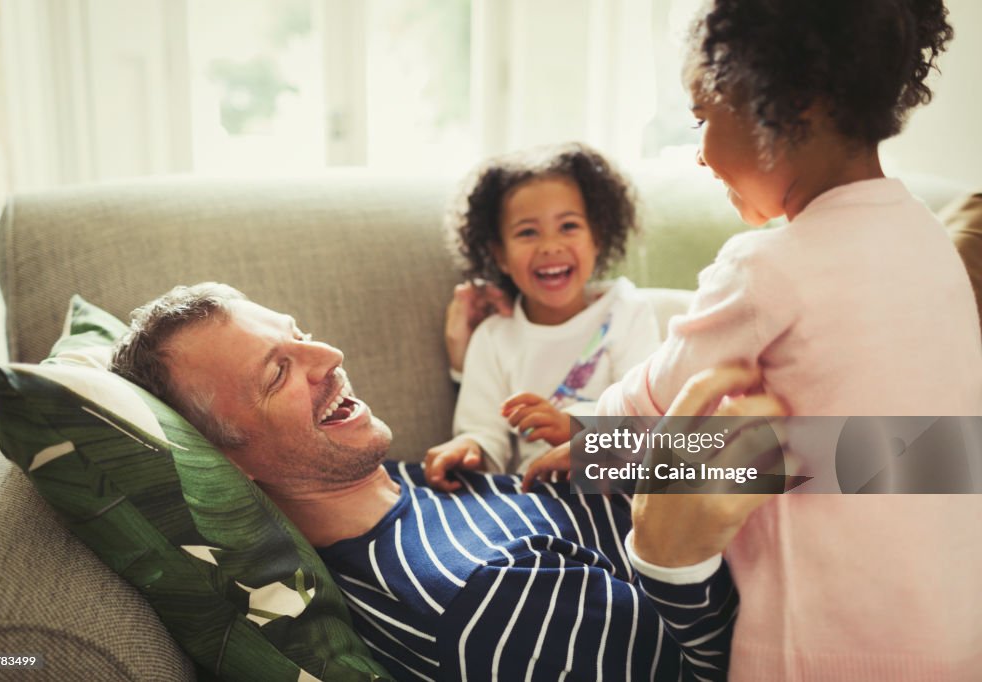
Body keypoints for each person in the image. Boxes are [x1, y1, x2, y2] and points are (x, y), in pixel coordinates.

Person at [525, 1, 982, 679]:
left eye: (703, 117)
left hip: (819, 646)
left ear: (791, 104)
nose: (701, 154)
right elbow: (885, 445)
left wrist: (590, 434)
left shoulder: (765, 266)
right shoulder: (927, 242)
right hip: (953, 632)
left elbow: (656, 398)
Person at [110, 282, 782, 682]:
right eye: (278, 373)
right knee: (861, 440)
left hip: (783, 493)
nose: (330, 357)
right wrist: (674, 564)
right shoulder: (486, 598)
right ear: (224, 461)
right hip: (808, 574)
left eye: (301, 335)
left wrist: (601, 446)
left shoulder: (417, 480)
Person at [426, 143, 663, 489]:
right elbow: (482, 430)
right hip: (536, 501)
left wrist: (573, 427)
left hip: (617, 495)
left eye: (568, 226)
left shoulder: (627, 312)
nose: (550, 246)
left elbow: (649, 420)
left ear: (597, 237)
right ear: (500, 255)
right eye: (527, 232)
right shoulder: (494, 336)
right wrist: (468, 448)